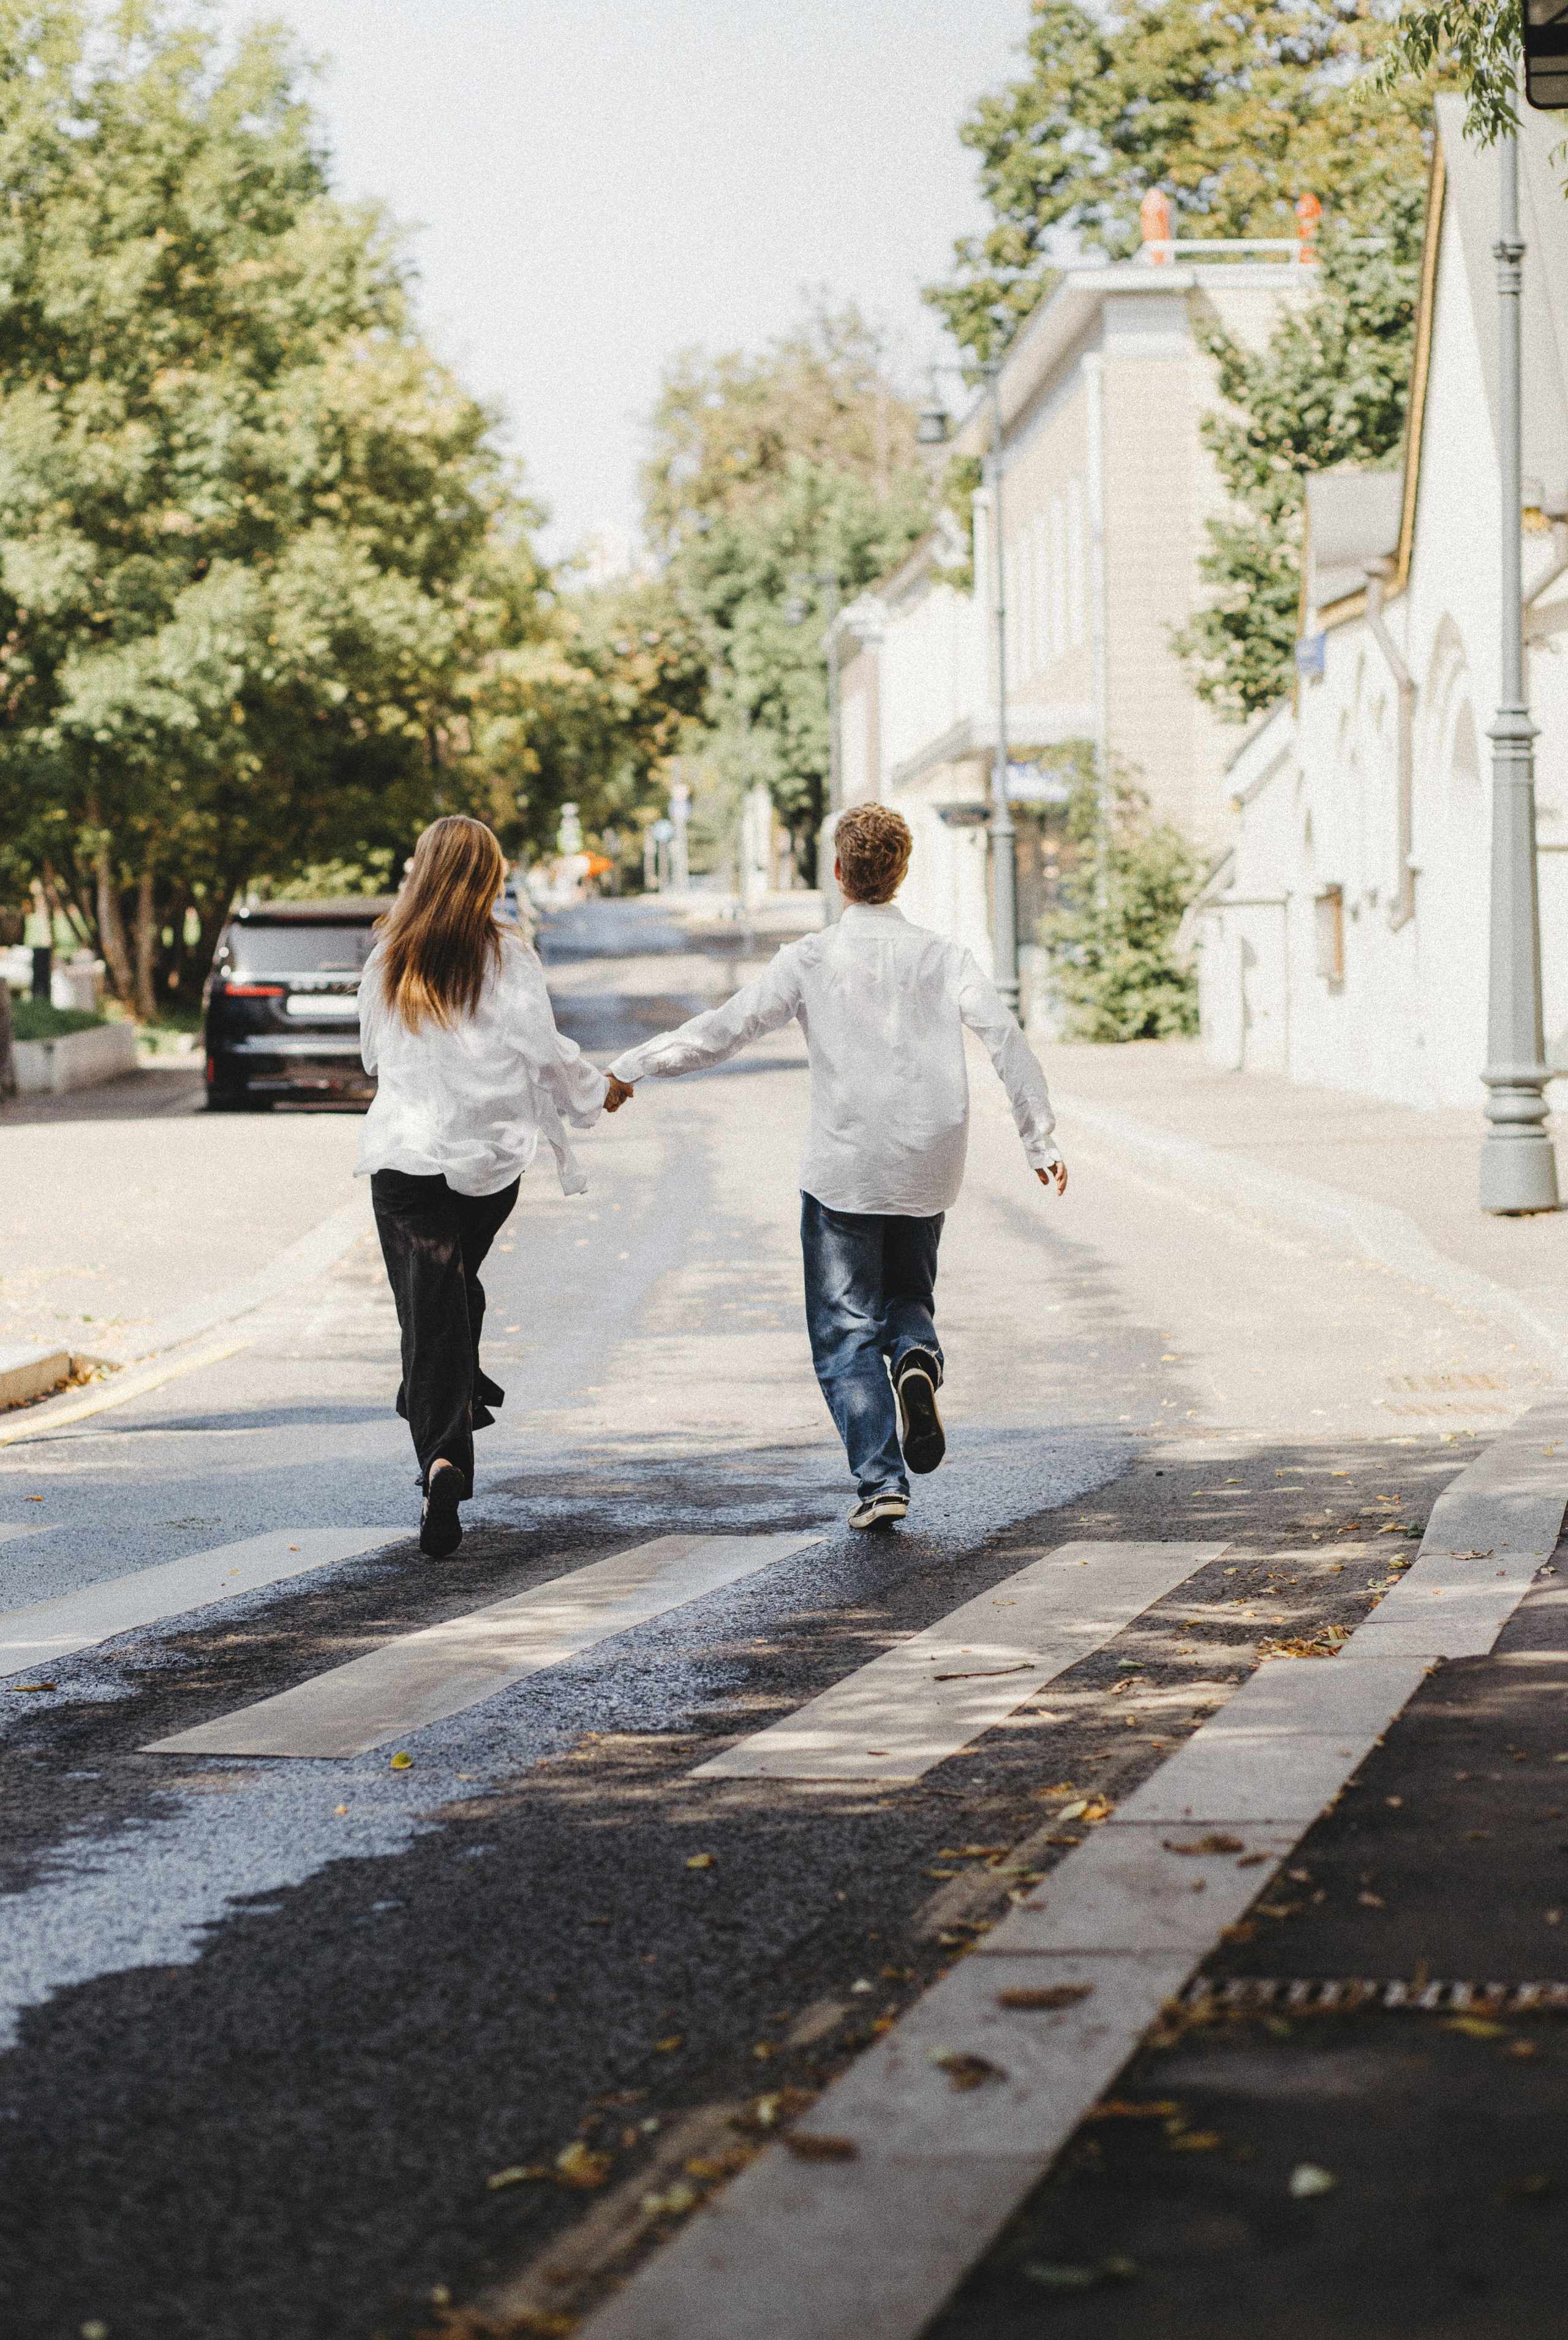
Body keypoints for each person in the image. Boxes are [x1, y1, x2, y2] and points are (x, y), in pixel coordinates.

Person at [606, 802, 1066, 1528]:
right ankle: (914, 1355)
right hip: (926, 1161)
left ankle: (882, 1481)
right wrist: (1038, 1138)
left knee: (846, 1326)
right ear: (903, 870)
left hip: (846, 1167)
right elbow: (1003, 1034)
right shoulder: (946, 956)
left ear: (839, 873)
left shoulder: (809, 958)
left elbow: (724, 1031)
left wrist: (634, 1064)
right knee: (909, 1291)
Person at [356, 817, 632, 1557]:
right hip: (488, 1169)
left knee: (429, 1306)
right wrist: (595, 1090)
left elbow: (371, 1055)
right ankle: (445, 1399)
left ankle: (441, 1449)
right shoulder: (507, 955)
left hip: (405, 1161)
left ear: (422, 870)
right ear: (489, 877)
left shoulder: (390, 952)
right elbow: (542, 1050)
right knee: (448, 1295)